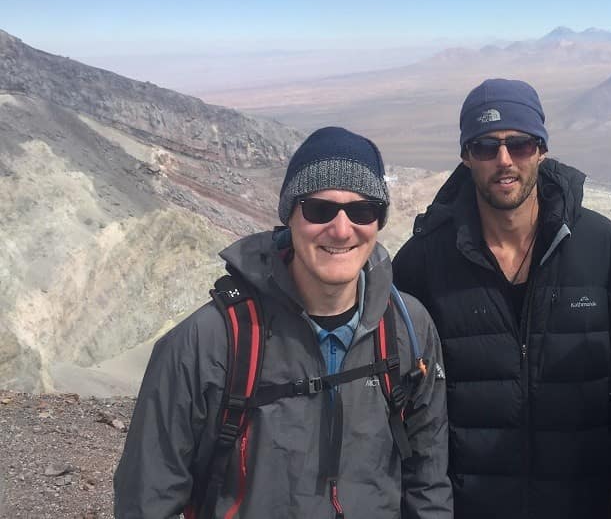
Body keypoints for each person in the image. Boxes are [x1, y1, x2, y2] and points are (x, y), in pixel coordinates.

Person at [114, 126, 452, 519]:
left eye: (362, 211)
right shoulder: (206, 342)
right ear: (289, 216)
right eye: (319, 210)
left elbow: (427, 479)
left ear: (378, 221)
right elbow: (146, 500)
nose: (341, 230)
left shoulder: (408, 327)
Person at [393, 78, 611, 519]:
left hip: (581, 504)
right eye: (485, 146)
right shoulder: (423, 262)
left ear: (541, 149)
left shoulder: (599, 245)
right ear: (466, 157)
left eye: (519, 144)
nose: (504, 160)